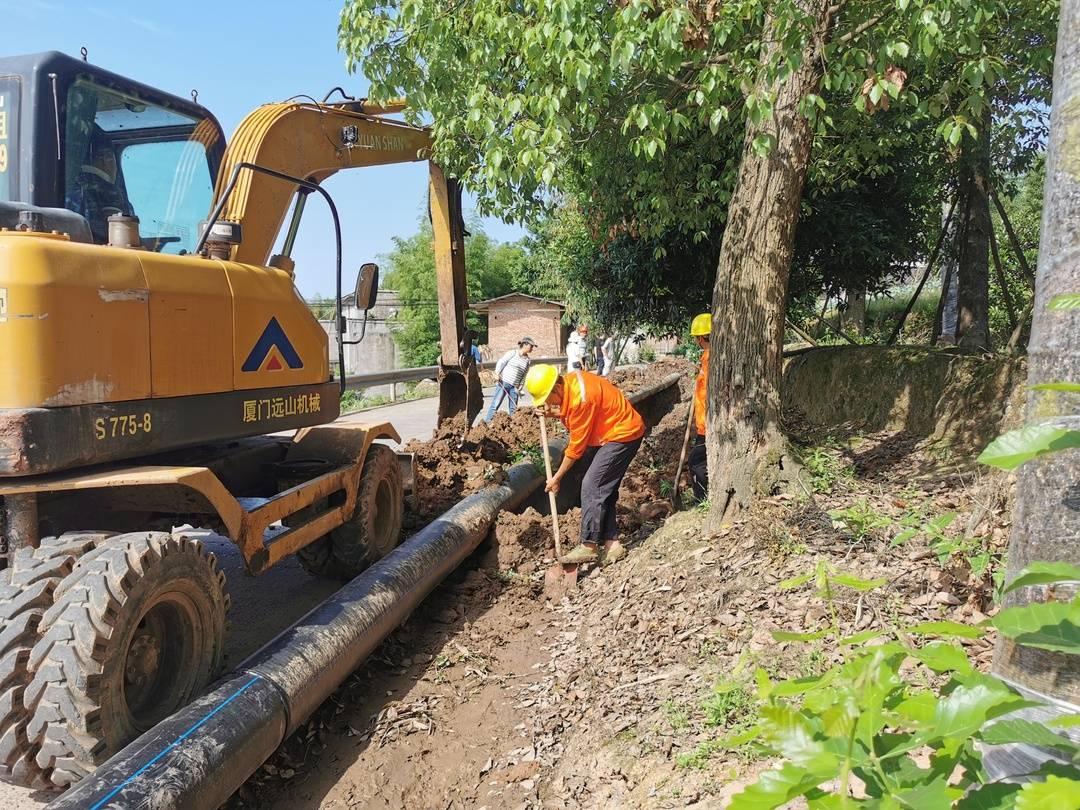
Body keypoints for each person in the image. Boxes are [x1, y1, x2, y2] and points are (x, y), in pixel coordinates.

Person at [526, 363, 644, 565]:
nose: (548, 403)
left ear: (556, 388)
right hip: (608, 433)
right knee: (604, 489)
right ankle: (612, 544)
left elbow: (576, 447)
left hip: (623, 434)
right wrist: (551, 412)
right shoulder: (571, 384)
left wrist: (557, 477)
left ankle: (589, 545)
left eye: (547, 398)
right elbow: (569, 410)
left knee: (592, 485)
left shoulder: (581, 397)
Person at [484, 336, 537, 421]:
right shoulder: (512, 353)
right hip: (504, 383)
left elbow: (524, 375)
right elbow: (501, 362)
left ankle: (513, 426)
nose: (532, 349)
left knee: (513, 409)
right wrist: (497, 373)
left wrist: (520, 387)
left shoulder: (527, 360)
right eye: (531, 346)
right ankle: (487, 423)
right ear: (525, 345)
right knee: (495, 404)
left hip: (514, 387)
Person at [687, 313, 711, 500]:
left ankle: (702, 500)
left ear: (701, 337)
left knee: (697, 462)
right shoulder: (706, 357)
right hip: (704, 423)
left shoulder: (711, 360)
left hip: (709, 424)